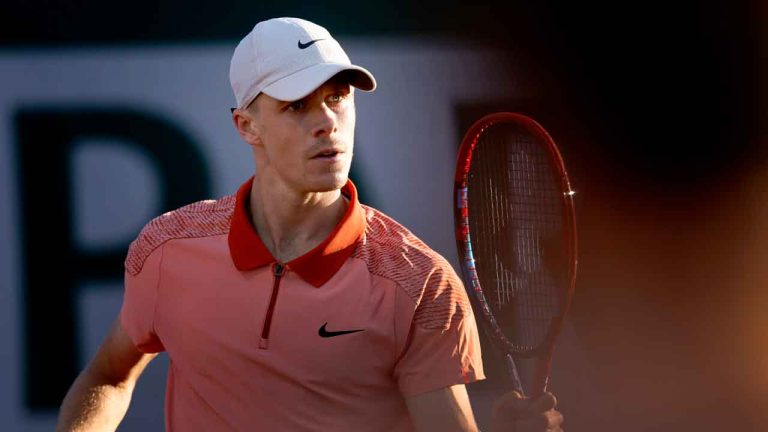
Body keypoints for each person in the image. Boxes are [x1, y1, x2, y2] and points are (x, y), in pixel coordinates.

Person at [56, 17, 564, 432]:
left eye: (338, 96)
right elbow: (109, 376)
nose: (326, 121)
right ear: (246, 126)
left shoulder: (419, 284)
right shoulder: (168, 248)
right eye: (297, 105)